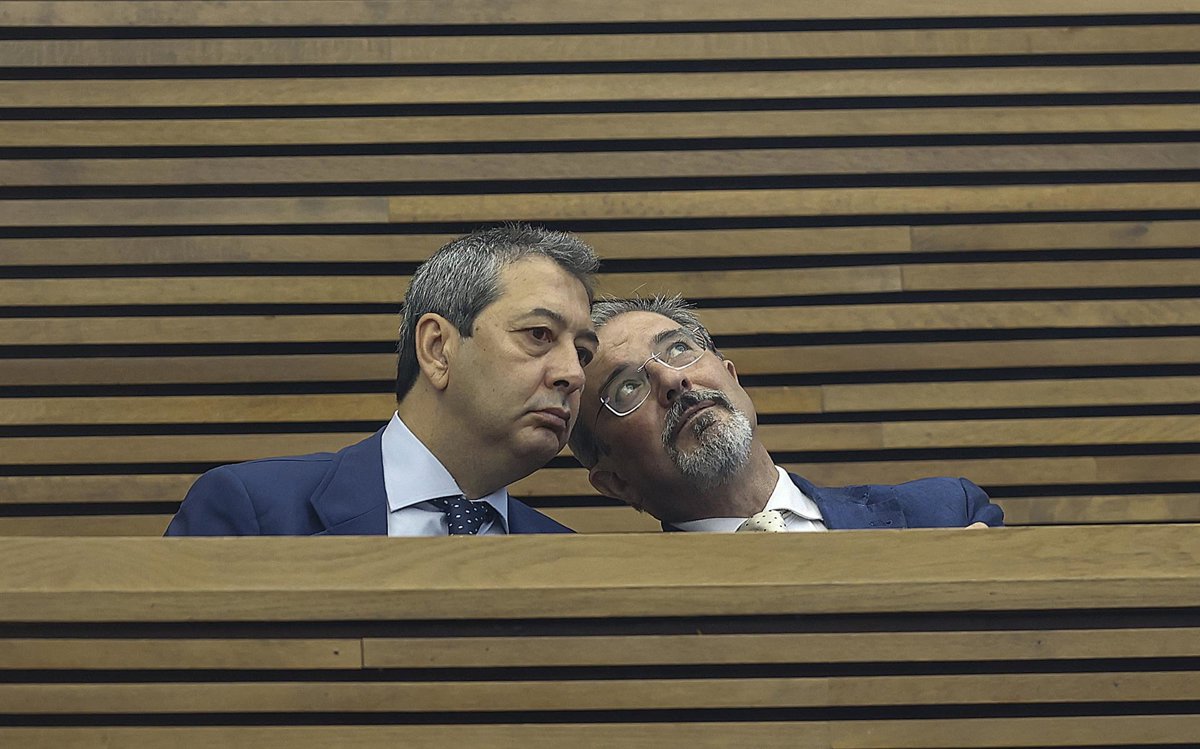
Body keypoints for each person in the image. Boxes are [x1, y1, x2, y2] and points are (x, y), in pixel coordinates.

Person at [167, 224, 599, 536]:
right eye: (539, 335)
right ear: (437, 349)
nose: (573, 374)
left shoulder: (565, 556)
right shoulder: (254, 511)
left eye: (582, 353)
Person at [569, 295, 1003, 532]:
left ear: (732, 377)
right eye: (628, 387)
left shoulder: (944, 515)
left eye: (678, 348)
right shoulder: (628, 609)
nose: (672, 379)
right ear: (615, 482)